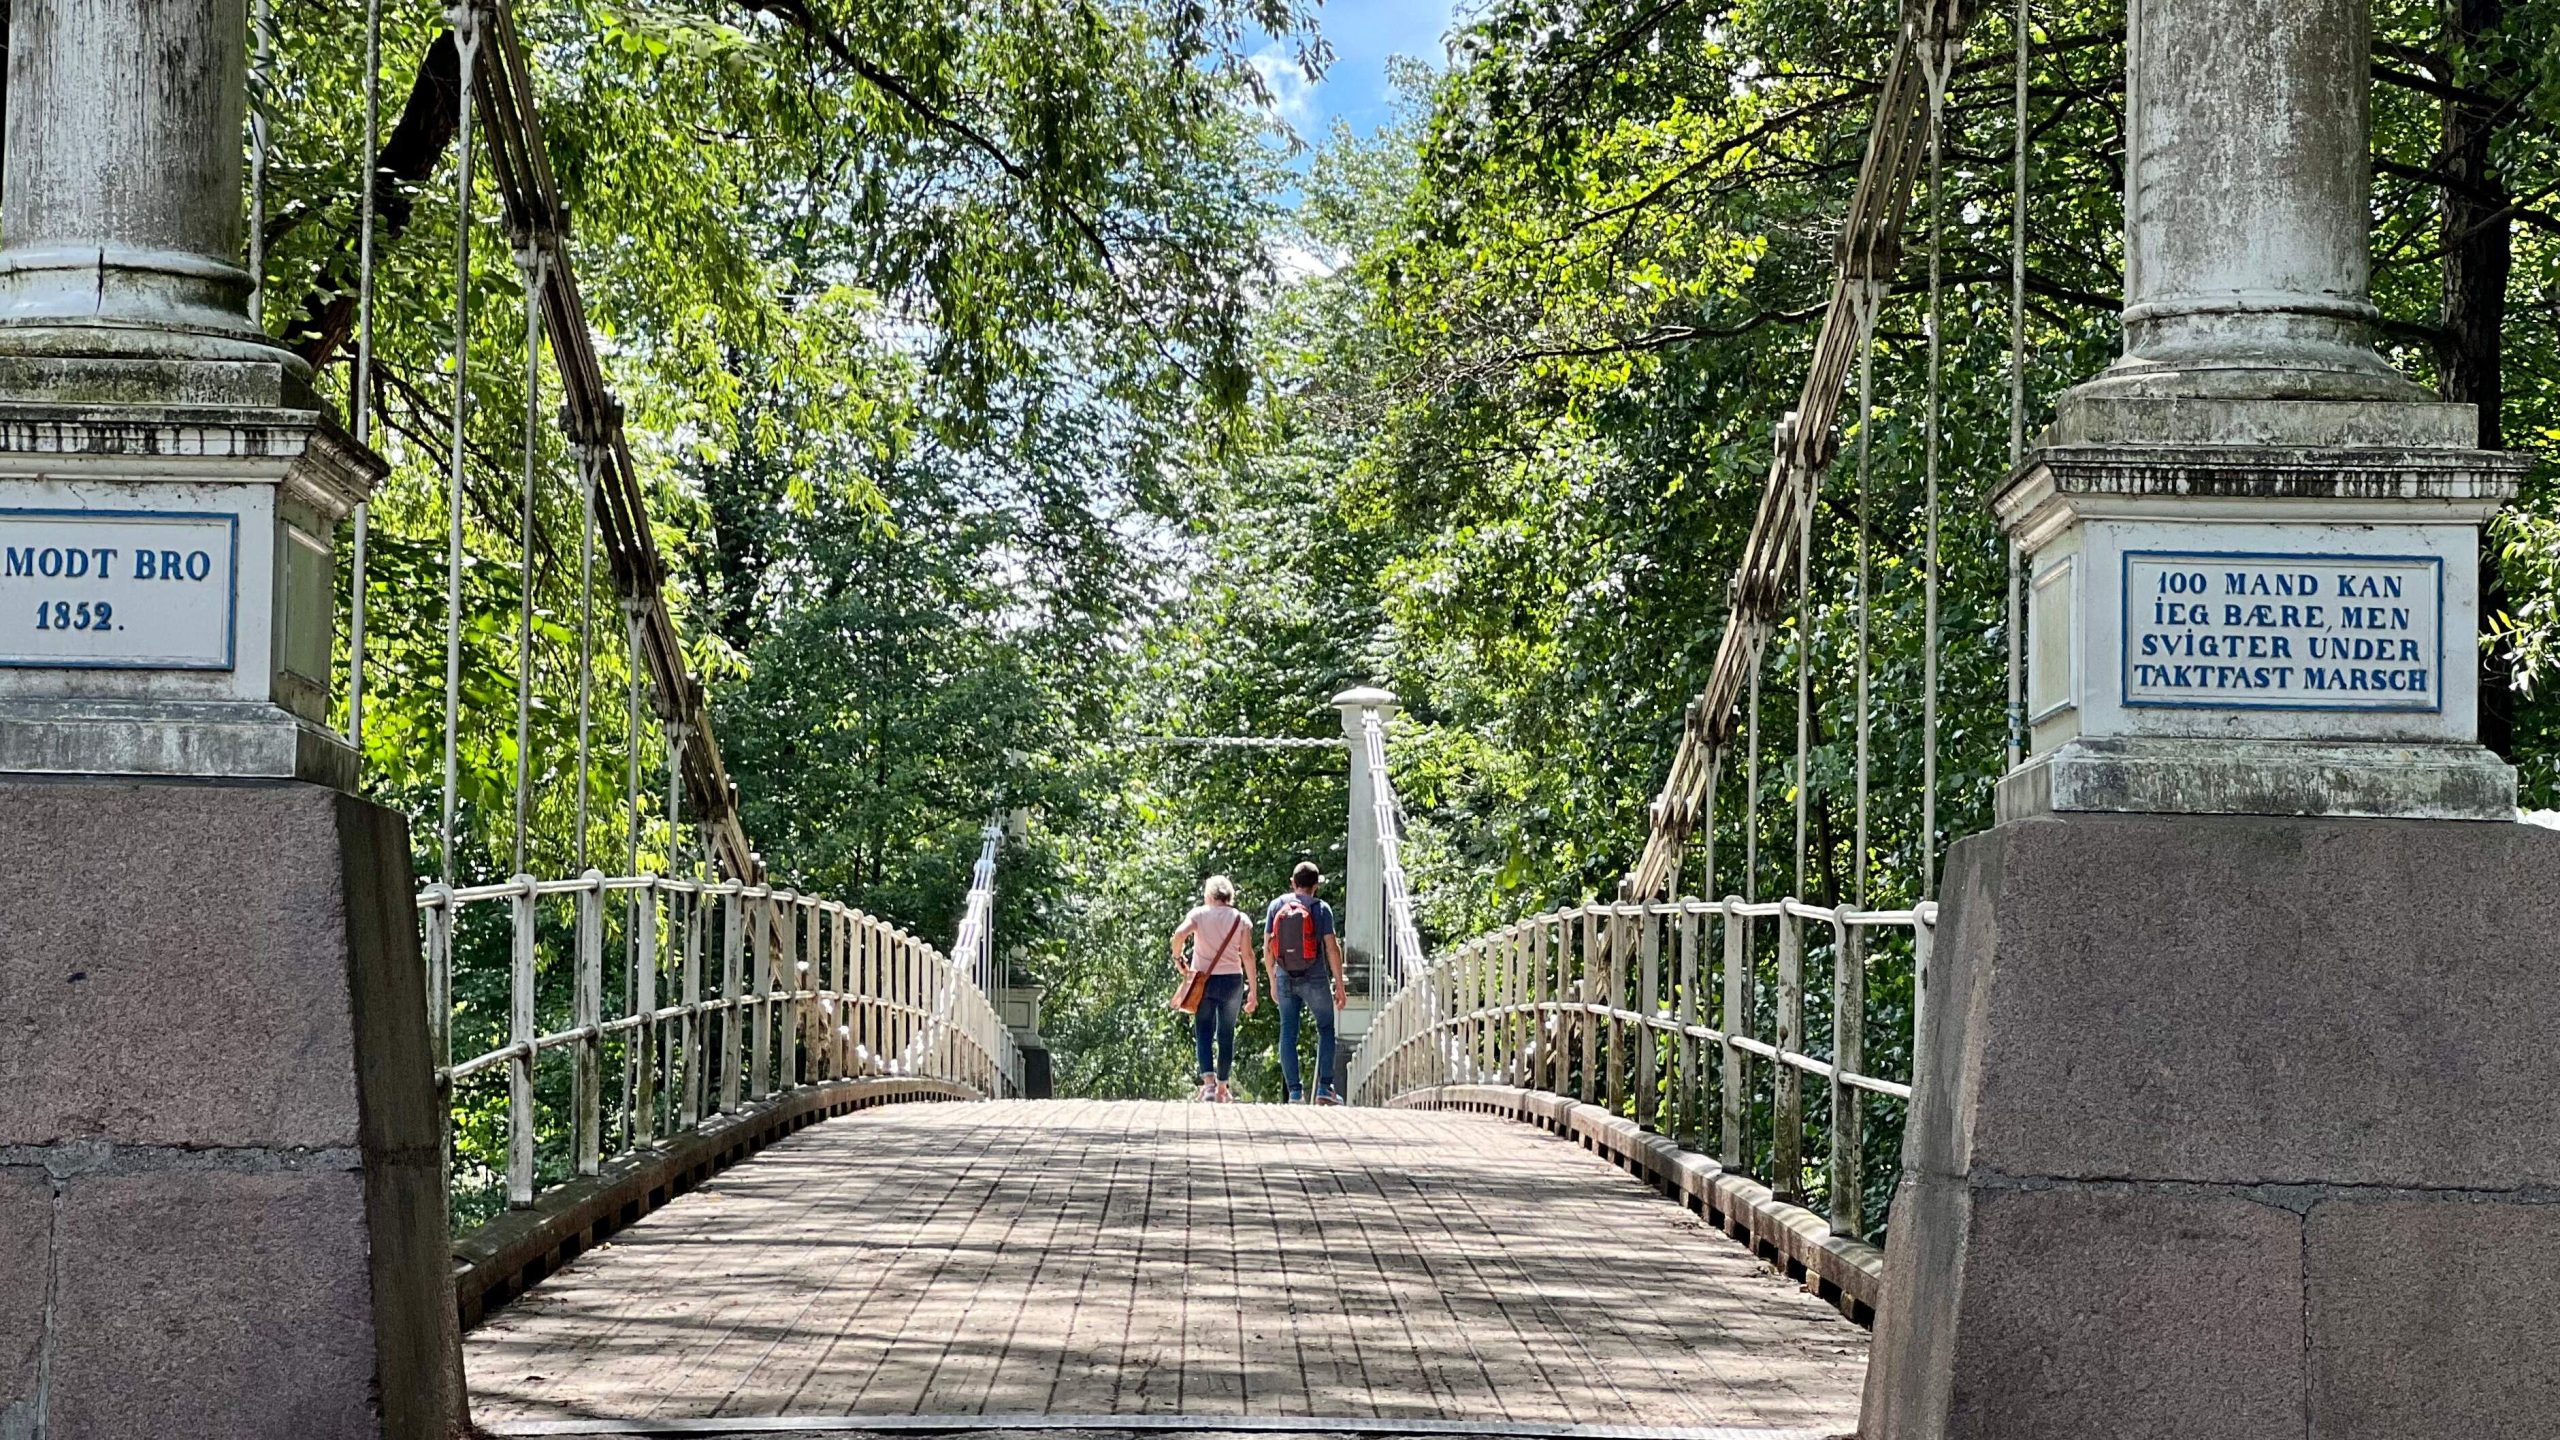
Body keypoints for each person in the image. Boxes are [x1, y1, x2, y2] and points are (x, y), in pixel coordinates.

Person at [1263, 861, 1348, 1103]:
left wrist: (1272, 980)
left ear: (1293, 883)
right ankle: (1324, 1088)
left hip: (1284, 976)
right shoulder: (1321, 908)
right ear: (1316, 885)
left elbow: (1267, 948)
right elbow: (1331, 948)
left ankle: (1294, 1092)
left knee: (1288, 1032)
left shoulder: (1276, 906)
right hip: (1315, 977)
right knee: (1326, 1028)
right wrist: (1339, 985)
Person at [1171, 875, 1256, 1102]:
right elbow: (1248, 955)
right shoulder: (1241, 919)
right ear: (1230, 895)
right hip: (1232, 981)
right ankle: (1222, 1086)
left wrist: (1178, 957)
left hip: (1204, 982)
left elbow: (1179, 934)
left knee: (1204, 1030)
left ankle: (1208, 1084)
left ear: (1209, 895)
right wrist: (1253, 991)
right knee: (1226, 1033)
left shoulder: (1199, 914)